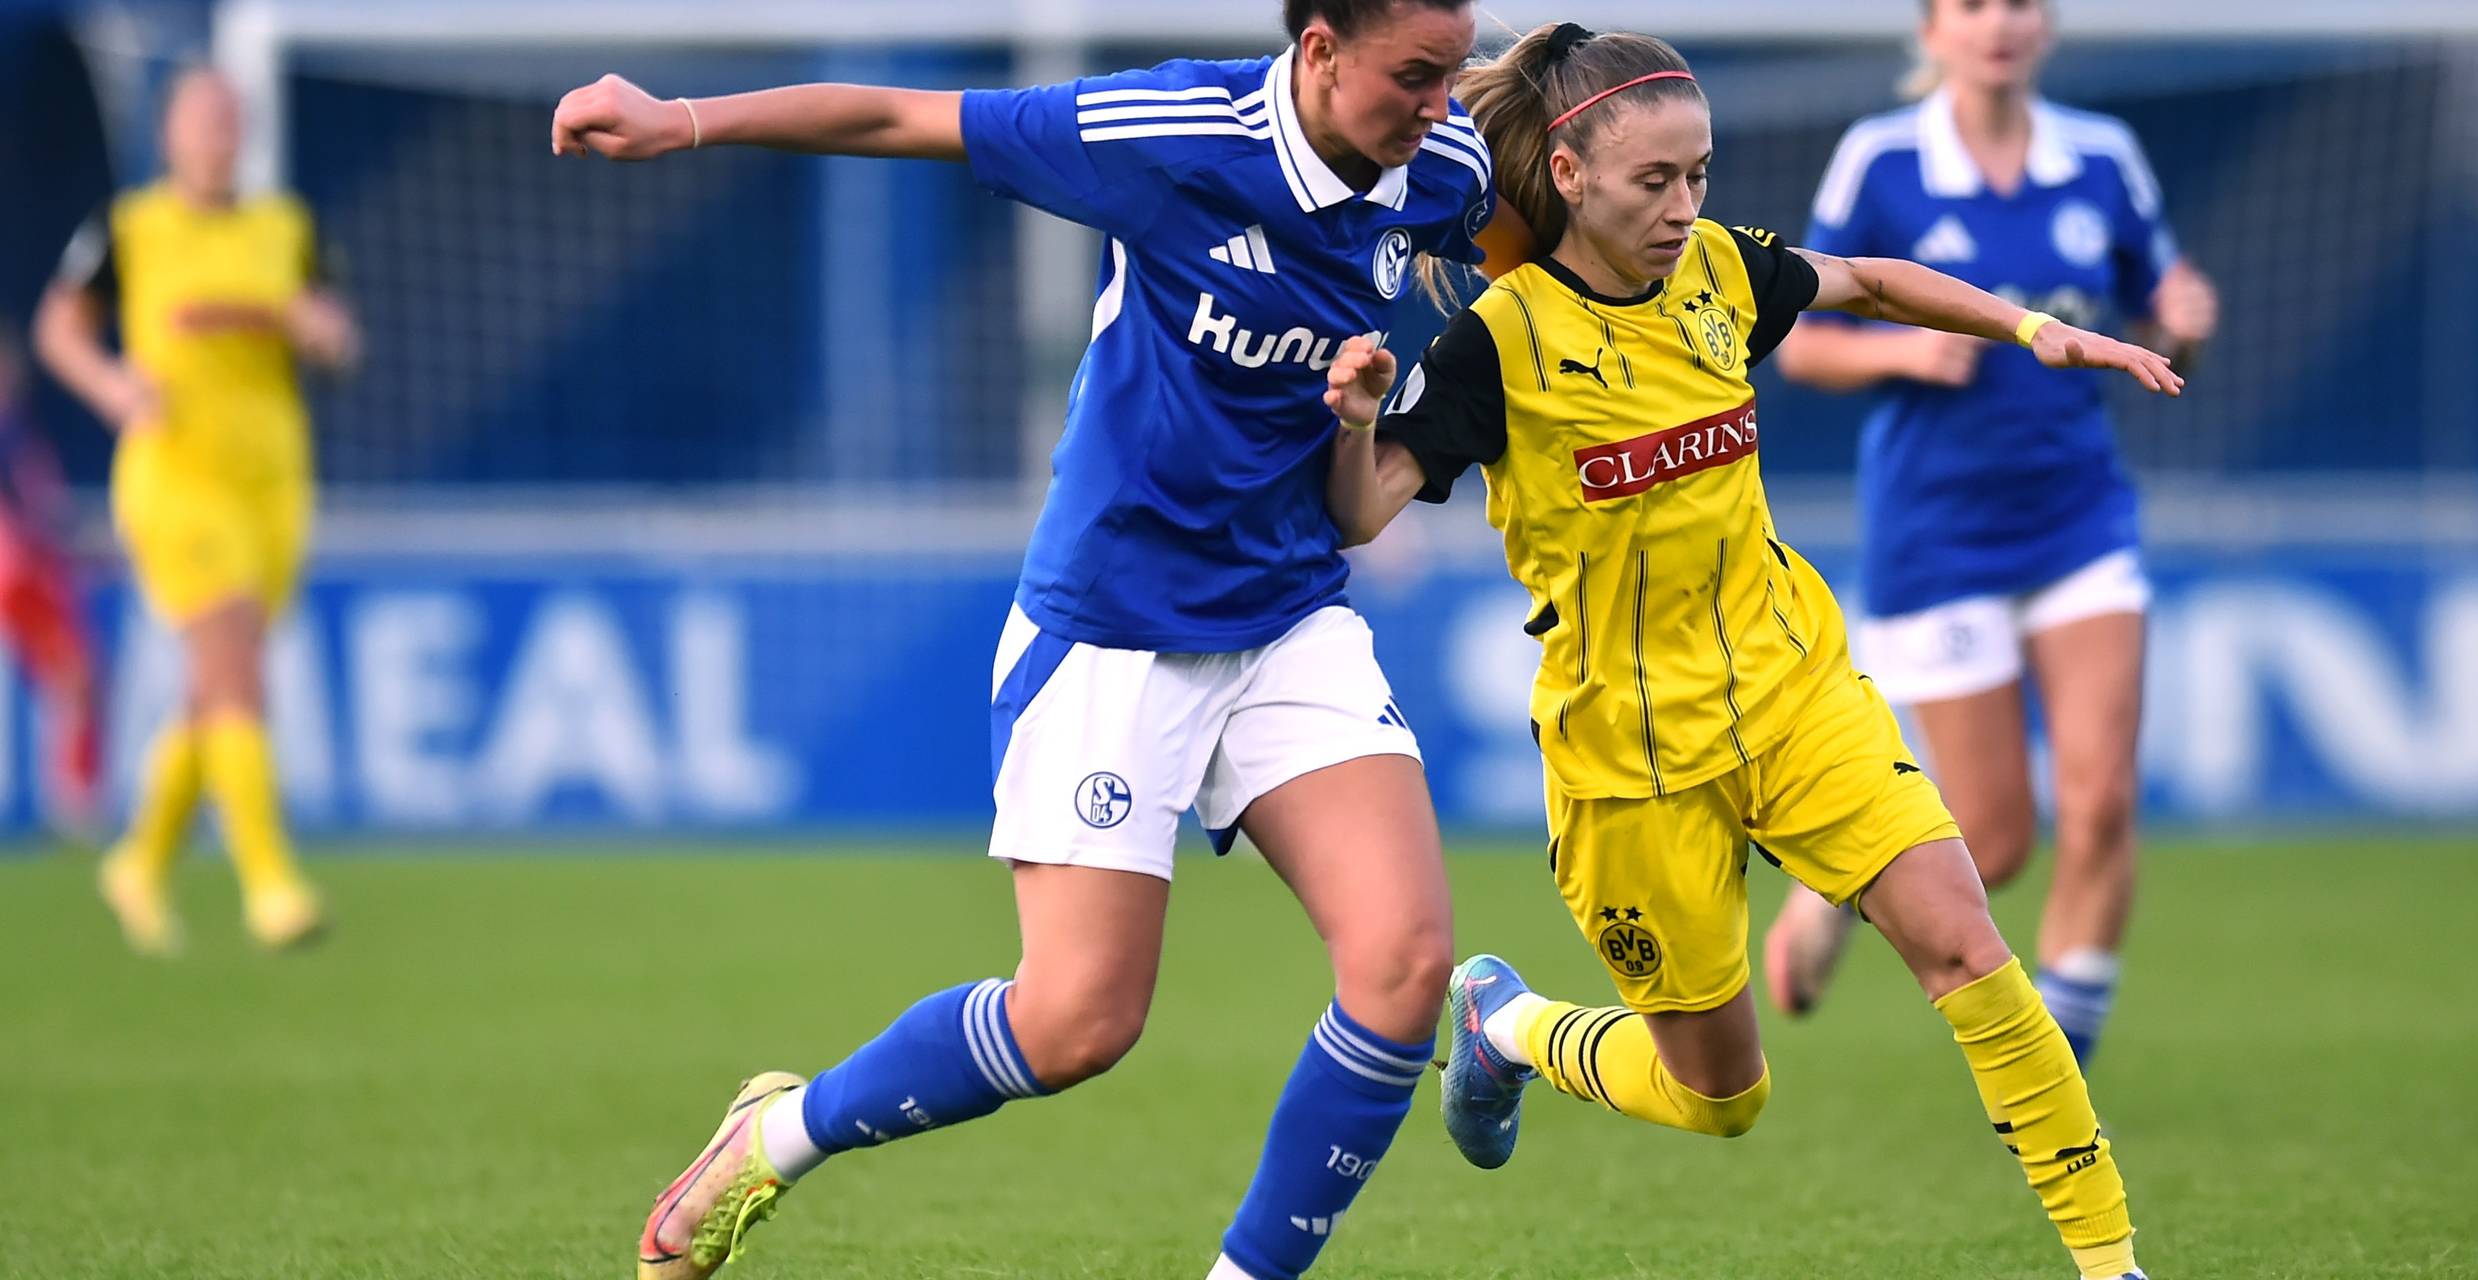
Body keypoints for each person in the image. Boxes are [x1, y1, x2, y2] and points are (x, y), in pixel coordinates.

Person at [547, 3, 1495, 1276]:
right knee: (1077, 1023)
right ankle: (776, 1134)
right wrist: (688, 119)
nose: (1438, 107)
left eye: (1453, 73)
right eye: (1413, 76)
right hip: (1115, 624)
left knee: (1405, 962)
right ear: (1318, 49)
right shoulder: (1163, 130)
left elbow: (1546, 228)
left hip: (1289, 609)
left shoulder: (1446, 170)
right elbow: (898, 114)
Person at [1322, 23, 2176, 1280]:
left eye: (1700, 175)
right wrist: (1351, 421)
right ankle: (1507, 1023)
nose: (1684, 207)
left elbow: (1872, 283)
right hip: (1630, 757)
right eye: (1653, 181)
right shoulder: (1497, 344)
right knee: (1724, 1095)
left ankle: (2113, 1263)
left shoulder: (1723, 270)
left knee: (1963, 935)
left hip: (1794, 691)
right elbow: (1359, 509)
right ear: (1567, 176)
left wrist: (2035, 330)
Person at [1759, 0, 2219, 1067]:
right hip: (1939, 533)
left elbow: (2153, 316)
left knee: (2103, 796)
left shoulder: (2104, 157)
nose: (2000, 23)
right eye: (1973, 5)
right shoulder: (1881, 160)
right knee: (1997, 840)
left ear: (2048, 24)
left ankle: (2068, 1054)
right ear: (1933, 28)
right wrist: (1904, 355)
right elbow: (1804, 347)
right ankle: (1831, 893)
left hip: (2078, 516)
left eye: (2020, 3)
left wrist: (2178, 320)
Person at [33, 65, 353, 955]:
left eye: (228, 120)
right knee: (232, 659)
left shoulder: (285, 227)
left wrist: (326, 336)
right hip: (176, 478)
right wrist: (108, 384)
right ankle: (270, 884)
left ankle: (137, 861)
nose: (215, 134)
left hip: (274, 483)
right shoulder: (128, 228)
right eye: (199, 119)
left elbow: (336, 333)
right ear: (169, 133)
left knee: (214, 687)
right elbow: (58, 327)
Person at [0, 338, 101, 840]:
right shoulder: (9, 436)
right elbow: (30, 515)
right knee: (74, 679)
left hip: (27, 570)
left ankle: (73, 800)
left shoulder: (19, 433)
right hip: (18, 572)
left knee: (72, 682)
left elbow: (44, 510)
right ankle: (74, 804)